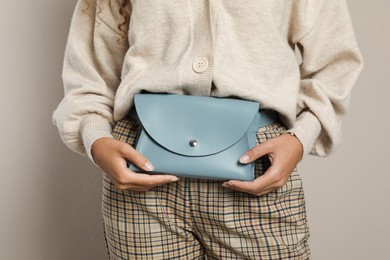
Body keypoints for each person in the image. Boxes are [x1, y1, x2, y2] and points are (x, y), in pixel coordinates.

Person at [52, 0, 364, 259]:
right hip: (141, 167)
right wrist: (96, 139)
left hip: (257, 163)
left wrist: (300, 138)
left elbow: (335, 61)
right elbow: (91, 65)